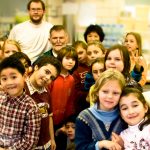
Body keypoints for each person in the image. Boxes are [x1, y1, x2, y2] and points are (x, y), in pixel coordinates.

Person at [75, 69, 127, 150]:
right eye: (105, 91)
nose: (110, 96)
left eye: (115, 93)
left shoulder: (126, 116)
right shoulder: (84, 118)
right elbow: (80, 147)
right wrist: (100, 144)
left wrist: (124, 145)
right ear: (97, 92)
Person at [0, 56, 41, 150]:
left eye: (14, 77)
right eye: (4, 79)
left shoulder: (31, 107)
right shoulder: (0, 98)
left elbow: (30, 141)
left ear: (25, 76)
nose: (9, 82)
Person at [24, 55, 61, 150]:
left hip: (46, 144)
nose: (47, 78)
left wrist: (52, 139)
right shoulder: (22, 88)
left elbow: (49, 116)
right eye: (46, 72)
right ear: (36, 67)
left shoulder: (46, 91)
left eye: (52, 77)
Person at [48, 46, 78, 130]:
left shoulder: (71, 79)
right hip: (48, 119)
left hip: (62, 121)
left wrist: (68, 120)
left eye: (73, 59)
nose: (70, 62)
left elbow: (70, 101)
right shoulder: (53, 77)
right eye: (67, 58)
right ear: (60, 58)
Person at [72, 41, 90, 114]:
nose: (79, 57)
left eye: (81, 53)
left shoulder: (95, 65)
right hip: (83, 107)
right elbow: (76, 92)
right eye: (76, 55)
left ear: (87, 51)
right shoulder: (75, 69)